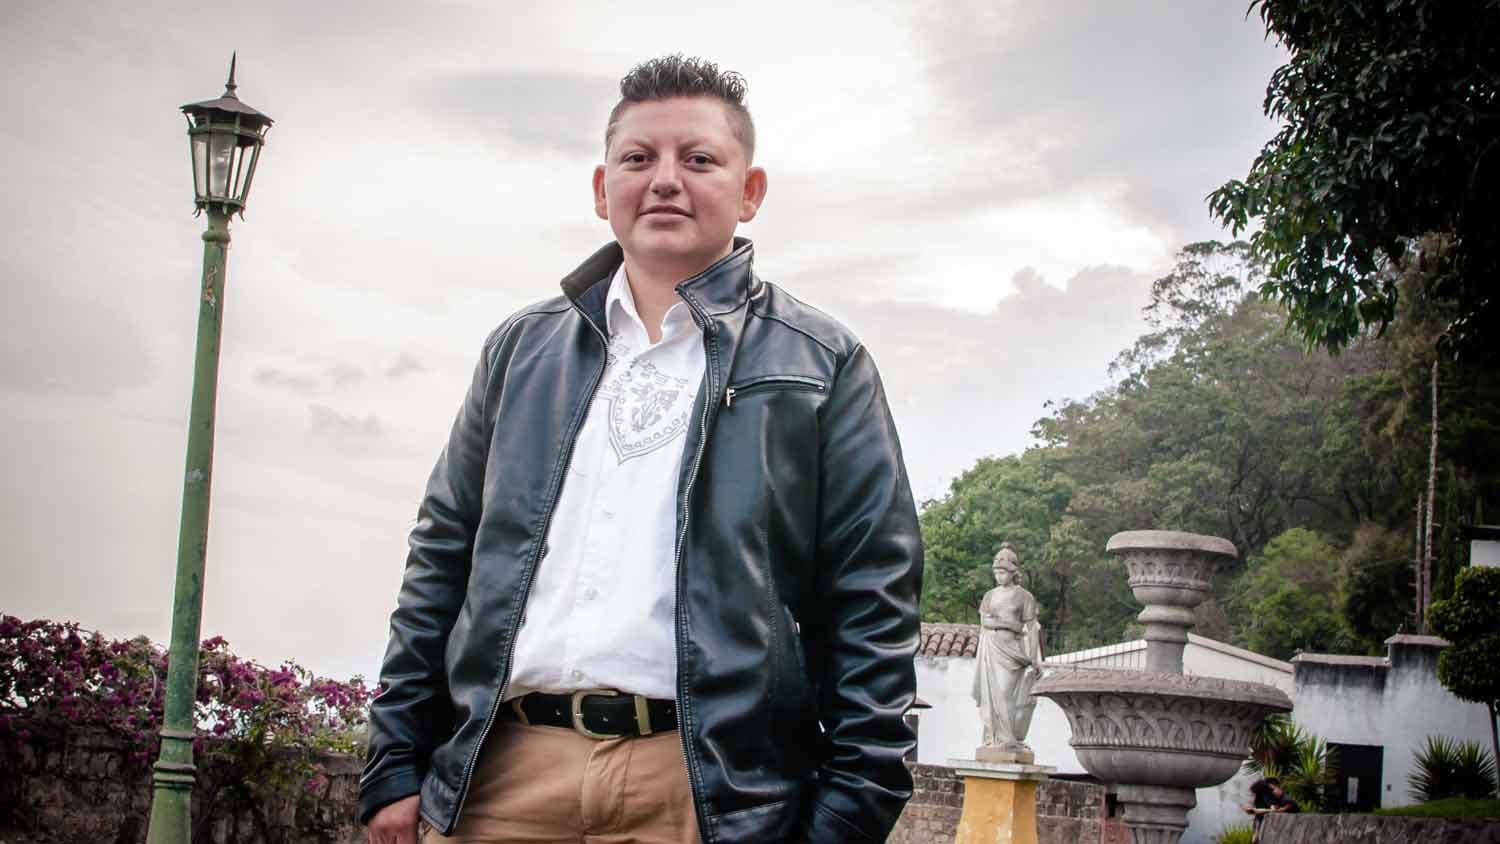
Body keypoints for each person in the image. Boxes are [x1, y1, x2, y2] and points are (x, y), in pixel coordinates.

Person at [360, 54, 923, 844]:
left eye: (698, 159)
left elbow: (872, 597)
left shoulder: (819, 363)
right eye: (638, 159)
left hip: (704, 793)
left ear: (749, 190)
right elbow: (442, 556)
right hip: (505, 776)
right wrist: (394, 759)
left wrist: (849, 813)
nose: (665, 180)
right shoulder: (520, 353)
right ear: (602, 189)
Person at [971, 543, 1042, 750]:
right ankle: (994, 740)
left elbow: (1032, 627)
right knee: (990, 697)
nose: (999, 576)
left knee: (1004, 694)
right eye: (996, 572)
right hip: (991, 646)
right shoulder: (989, 596)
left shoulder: (1024, 596)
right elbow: (985, 622)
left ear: (1012, 573)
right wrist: (1009, 624)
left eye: (1002, 572)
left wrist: (1034, 658)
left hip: (1012, 651)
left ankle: (1009, 739)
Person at [1244, 777, 1300, 842]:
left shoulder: (1278, 796)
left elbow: (1278, 809)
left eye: (1273, 788)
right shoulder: (1264, 795)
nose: (1273, 791)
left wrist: (1258, 811)